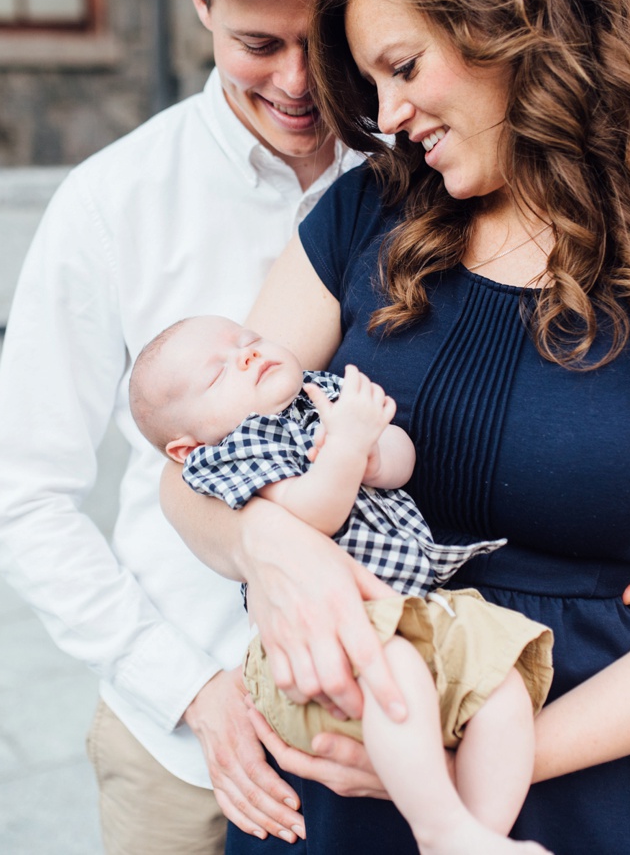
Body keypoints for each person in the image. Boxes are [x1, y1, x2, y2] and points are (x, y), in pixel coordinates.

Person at [0, 0, 630, 852]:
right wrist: (193, 692)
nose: (301, 85)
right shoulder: (113, 205)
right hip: (191, 737)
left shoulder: (421, 160)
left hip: (398, 707)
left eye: (324, 46)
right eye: (258, 46)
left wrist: (599, 532)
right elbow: (23, 500)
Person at [159, 0, 630, 852]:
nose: (386, 117)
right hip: (348, 760)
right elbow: (188, 468)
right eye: (373, 84)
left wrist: (459, 768)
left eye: (404, 67)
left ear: (511, 25)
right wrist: (267, 540)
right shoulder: (364, 215)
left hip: (574, 771)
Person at [129, 314, 555, 854]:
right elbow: (312, 513)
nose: (246, 355)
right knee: (393, 671)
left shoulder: (321, 392)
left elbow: (402, 459)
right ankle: (442, 831)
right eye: (217, 375)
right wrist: (349, 446)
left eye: (248, 339)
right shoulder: (228, 454)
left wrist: (377, 453)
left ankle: (479, 835)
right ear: (184, 447)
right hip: (317, 637)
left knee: (500, 680)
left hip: (410, 608)